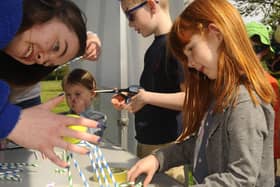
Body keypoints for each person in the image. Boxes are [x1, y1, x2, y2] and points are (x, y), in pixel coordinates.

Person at [126, 0, 276, 186]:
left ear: (216, 33)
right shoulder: (219, 92)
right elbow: (201, 144)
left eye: (191, 49)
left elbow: (242, 179)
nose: (189, 64)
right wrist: (159, 158)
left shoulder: (244, 102)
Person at [0, 0, 101, 168]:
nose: (41, 58)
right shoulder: (10, 7)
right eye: (56, 46)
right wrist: (11, 120)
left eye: (46, 64)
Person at [112, 0, 185, 183]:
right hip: (146, 143)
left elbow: (190, 99)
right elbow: (155, 91)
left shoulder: (177, 46)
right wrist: (132, 98)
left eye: (131, 15)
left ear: (152, 5)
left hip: (168, 150)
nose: (130, 24)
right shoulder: (153, 49)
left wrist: (147, 97)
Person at [246, 21, 280, 185]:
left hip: (265, 155)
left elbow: (276, 124)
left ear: (266, 51)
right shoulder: (227, 80)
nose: (252, 54)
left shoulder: (271, 84)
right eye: (247, 47)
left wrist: (273, 154)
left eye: (258, 49)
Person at [61, 68, 107, 137]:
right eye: (68, 94)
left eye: (77, 94)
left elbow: (91, 137)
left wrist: (80, 114)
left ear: (92, 94)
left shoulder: (99, 117)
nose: (72, 99)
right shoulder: (61, 117)